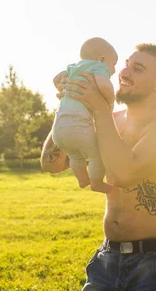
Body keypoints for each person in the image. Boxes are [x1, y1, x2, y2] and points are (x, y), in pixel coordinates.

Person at [41, 43, 156, 290]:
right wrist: (69, 106)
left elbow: (123, 175)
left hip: (155, 261)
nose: (124, 73)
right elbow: (51, 163)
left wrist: (98, 108)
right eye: (126, 65)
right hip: (108, 257)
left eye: (137, 69)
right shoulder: (109, 121)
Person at [51, 37, 118, 194]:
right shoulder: (98, 66)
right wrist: (110, 100)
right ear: (101, 59)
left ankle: (82, 180)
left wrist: (62, 87)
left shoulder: (72, 67)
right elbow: (103, 84)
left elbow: (55, 79)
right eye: (113, 65)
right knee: (96, 155)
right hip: (79, 125)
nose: (114, 70)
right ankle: (96, 183)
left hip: (58, 128)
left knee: (75, 155)